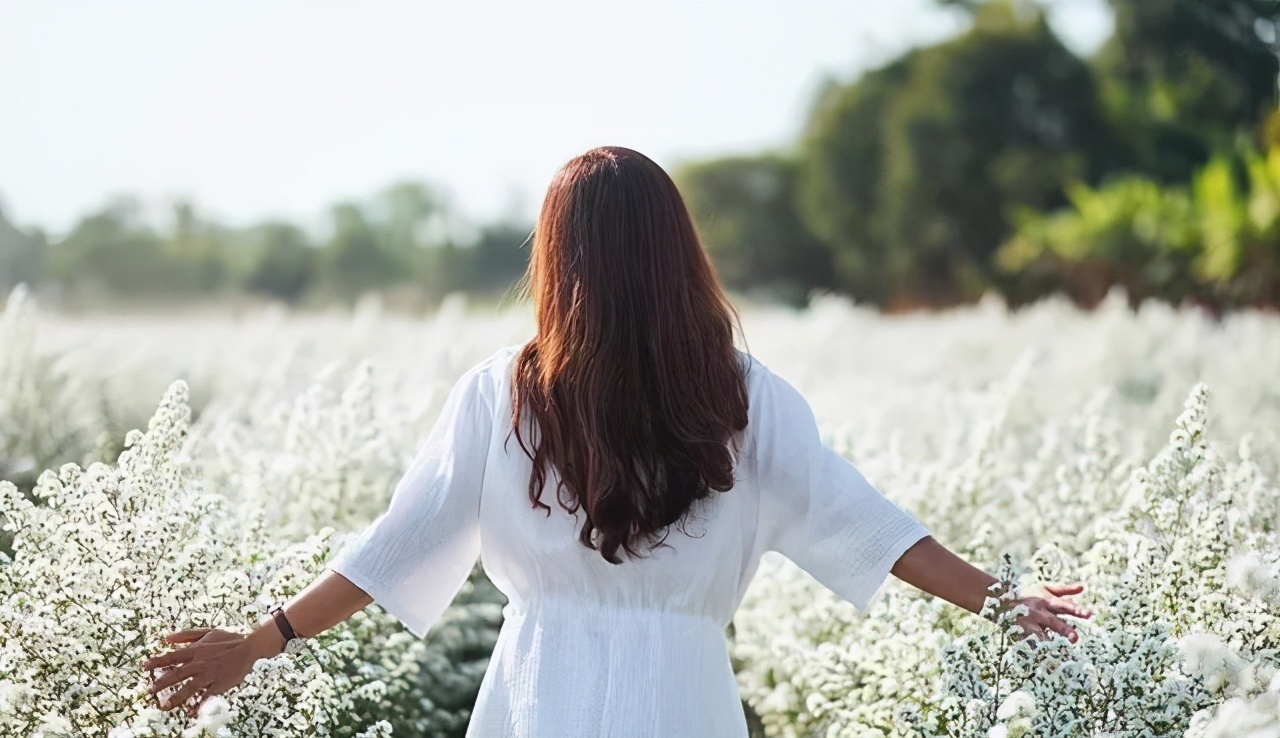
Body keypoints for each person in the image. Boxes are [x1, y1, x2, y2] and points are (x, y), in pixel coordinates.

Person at [142, 146, 1092, 736]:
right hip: (685, 699)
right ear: (678, 253)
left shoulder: (501, 395)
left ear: (559, 263)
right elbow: (863, 521)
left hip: (536, 694)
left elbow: (399, 543)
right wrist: (1004, 599)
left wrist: (260, 641)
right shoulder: (743, 395)